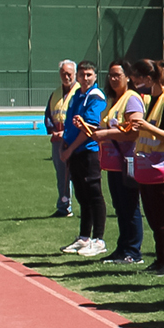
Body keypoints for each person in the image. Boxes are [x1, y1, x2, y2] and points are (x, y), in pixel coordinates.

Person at [130, 59, 164, 276]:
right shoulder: (152, 99)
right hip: (148, 167)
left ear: (148, 79)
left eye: (137, 80)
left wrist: (146, 126)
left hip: (161, 167)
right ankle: (161, 258)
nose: (135, 84)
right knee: (152, 215)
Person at [91, 60, 145, 264]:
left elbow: (134, 131)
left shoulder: (131, 99)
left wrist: (105, 133)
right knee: (120, 207)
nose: (113, 79)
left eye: (118, 75)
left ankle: (133, 251)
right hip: (113, 163)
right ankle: (123, 248)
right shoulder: (115, 100)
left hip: (127, 161)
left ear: (128, 77)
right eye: (111, 75)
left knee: (130, 206)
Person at [58, 61, 108, 257]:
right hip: (75, 152)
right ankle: (84, 237)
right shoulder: (77, 96)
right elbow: (71, 124)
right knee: (82, 196)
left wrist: (69, 149)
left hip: (88, 151)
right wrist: (65, 143)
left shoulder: (95, 97)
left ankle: (99, 239)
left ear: (95, 76)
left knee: (94, 193)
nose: (85, 78)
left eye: (89, 75)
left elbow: (89, 128)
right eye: (82, 75)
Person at [45, 60, 78, 216]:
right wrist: (53, 130)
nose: (67, 76)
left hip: (77, 140)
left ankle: (87, 207)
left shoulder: (80, 93)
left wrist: (65, 133)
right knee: (62, 176)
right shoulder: (55, 94)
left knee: (79, 175)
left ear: (75, 74)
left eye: (69, 73)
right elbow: (48, 115)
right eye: (64, 73)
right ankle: (64, 207)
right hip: (58, 141)